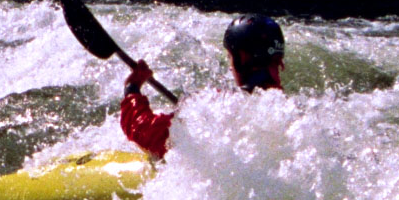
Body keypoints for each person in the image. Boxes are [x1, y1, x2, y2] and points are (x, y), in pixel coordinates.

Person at [120, 14, 285, 159]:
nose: (230, 67)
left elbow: (145, 132)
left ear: (240, 58)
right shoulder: (286, 109)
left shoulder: (218, 105)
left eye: (229, 57)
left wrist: (132, 87)